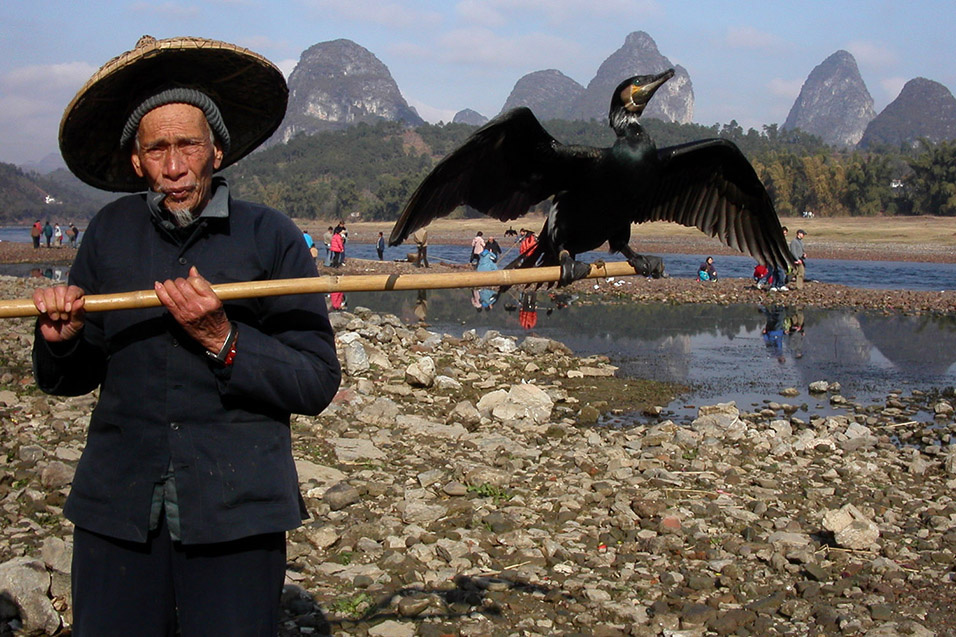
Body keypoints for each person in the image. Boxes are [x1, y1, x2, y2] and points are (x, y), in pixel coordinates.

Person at [31, 35, 341, 636]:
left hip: (237, 512)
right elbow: (67, 380)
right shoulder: (108, 234)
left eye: (188, 145)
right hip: (117, 507)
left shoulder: (270, 237)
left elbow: (316, 381)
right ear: (136, 161)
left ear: (216, 151)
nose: (174, 167)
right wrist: (62, 340)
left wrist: (224, 338)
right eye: (157, 150)